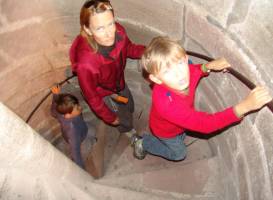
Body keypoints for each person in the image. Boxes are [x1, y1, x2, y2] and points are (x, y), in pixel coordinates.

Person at [132, 36, 272, 160]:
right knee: (179, 154)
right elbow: (206, 124)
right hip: (166, 132)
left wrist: (208, 66)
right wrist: (245, 106)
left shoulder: (184, 74)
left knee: (181, 133)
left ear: (186, 59)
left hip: (178, 125)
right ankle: (144, 142)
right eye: (167, 71)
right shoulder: (168, 105)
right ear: (156, 79)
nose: (179, 74)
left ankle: (175, 135)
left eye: (180, 63)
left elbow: (194, 71)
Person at [69, 0, 145, 139]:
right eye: (100, 28)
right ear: (87, 29)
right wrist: (110, 118)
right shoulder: (86, 63)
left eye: (110, 24)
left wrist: (148, 51)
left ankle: (127, 119)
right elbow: (92, 97)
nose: (109, 33)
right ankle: (129, 132)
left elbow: (128, 48)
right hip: (104, 93)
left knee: (129, 105)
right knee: (123, 119)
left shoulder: (119, 32)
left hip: (118, 83)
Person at [51, 85, 96, 168]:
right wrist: (81, 170)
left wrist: (56, 96)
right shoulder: (73, 131)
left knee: (92, 129)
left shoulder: (60, 112)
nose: (80, 107)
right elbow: (75, 153)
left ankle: (92, 138)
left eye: (78, 105)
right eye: (77, 108)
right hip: (80, 139)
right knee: (88, 145)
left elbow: (53, 112)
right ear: (68, 115)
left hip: (83, 128)